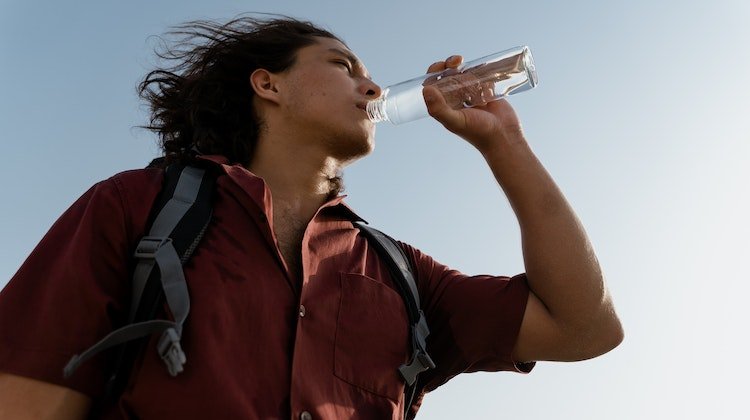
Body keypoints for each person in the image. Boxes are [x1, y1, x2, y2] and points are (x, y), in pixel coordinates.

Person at [0, 16, 623, 419]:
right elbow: (28, 395)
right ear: (269, 85)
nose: (375, 89)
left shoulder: (400, 274)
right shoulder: (140, 207)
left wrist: (504, 145)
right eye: (344, 66)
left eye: (372, 76)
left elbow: (584, 328)